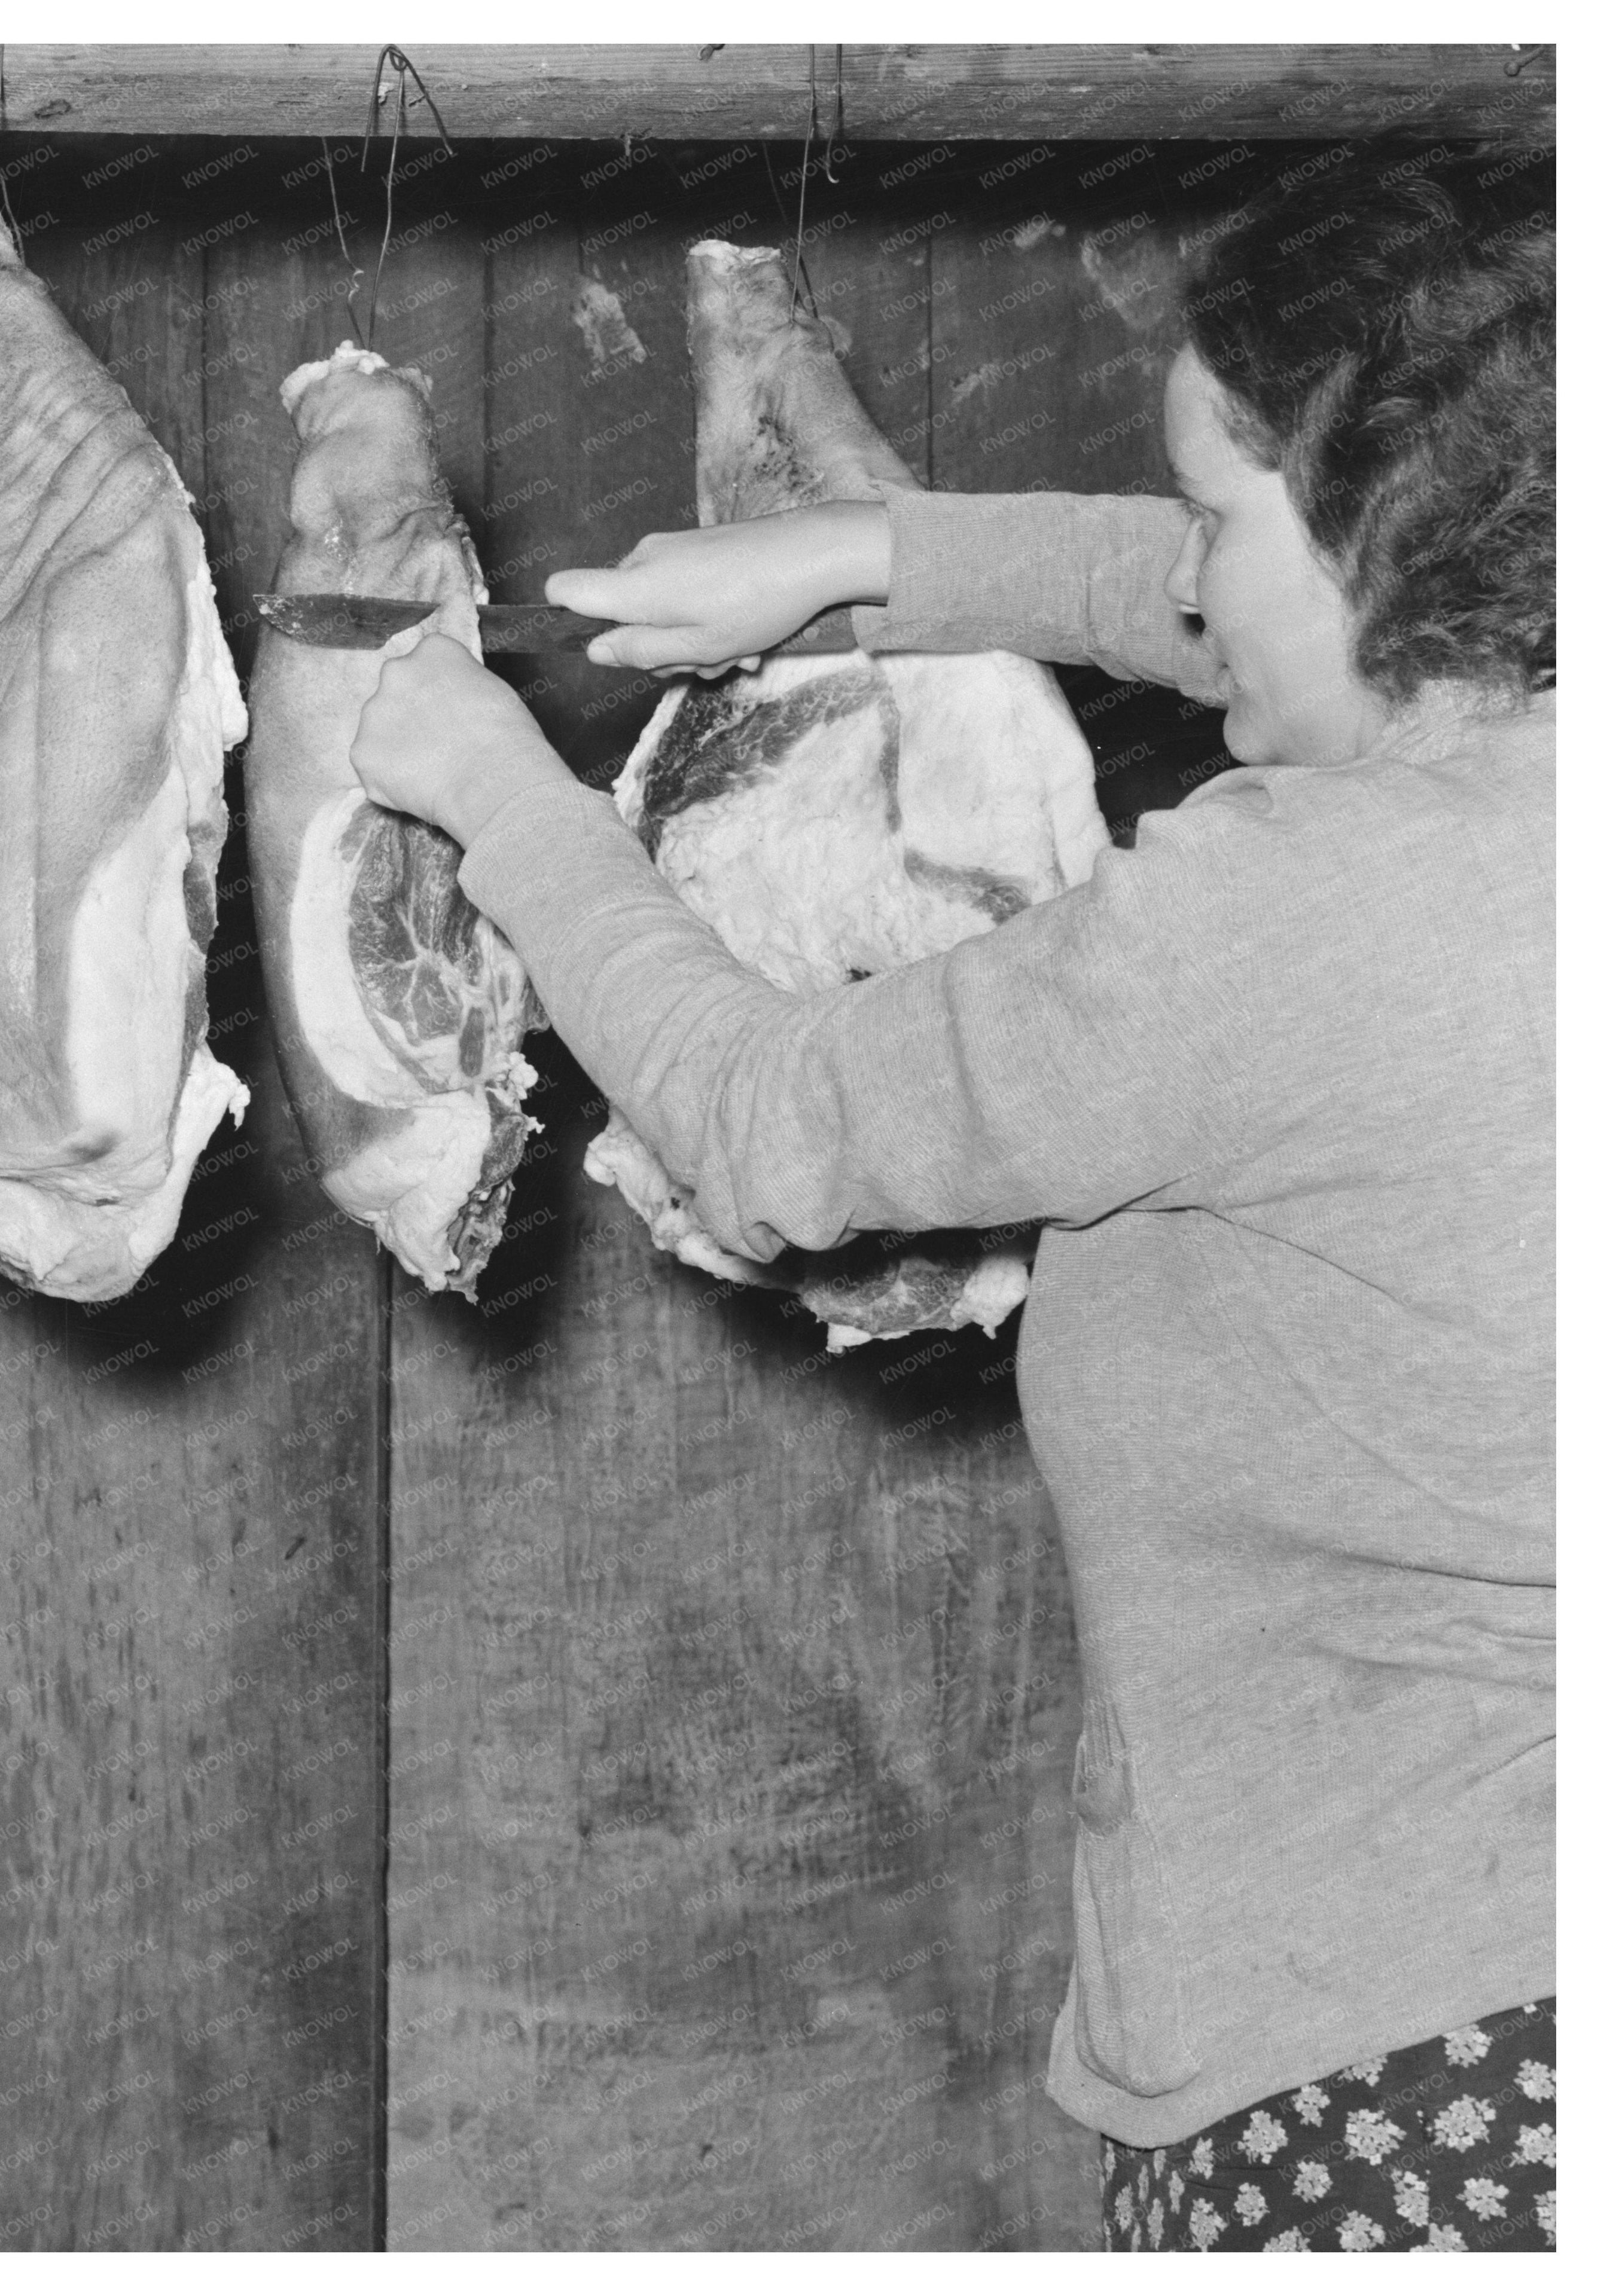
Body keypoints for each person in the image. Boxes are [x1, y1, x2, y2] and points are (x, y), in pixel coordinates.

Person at [350, 148, 1553, 2254]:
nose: (1179, 570)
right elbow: (1218, 607)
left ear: (1378, 526)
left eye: (1216, 512)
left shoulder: (1297, 912)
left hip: (1401, 2071)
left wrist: (501, 795)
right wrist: (867, 563)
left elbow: (767, 1122)